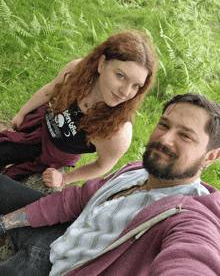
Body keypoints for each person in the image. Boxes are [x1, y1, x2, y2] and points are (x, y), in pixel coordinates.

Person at [0, 92, 220, 276]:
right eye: (164, 125)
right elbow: (78, 198)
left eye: (185, 136)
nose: (165, 139)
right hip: (62, 234)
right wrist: (8, 222)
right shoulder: (137, 169)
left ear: (210, 157)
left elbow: (194, 258)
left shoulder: (190, 217)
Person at [0, 31, 157, 187]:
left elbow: (103, 165)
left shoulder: (117, 132)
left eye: (136, 85)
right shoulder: (78, 71)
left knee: (7, 186)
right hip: (37, 126)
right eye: (121, 76)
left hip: (51, 156)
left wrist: (65, 179)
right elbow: (49, 90)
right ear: (102, 64)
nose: (125, 92)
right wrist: (22, 113)